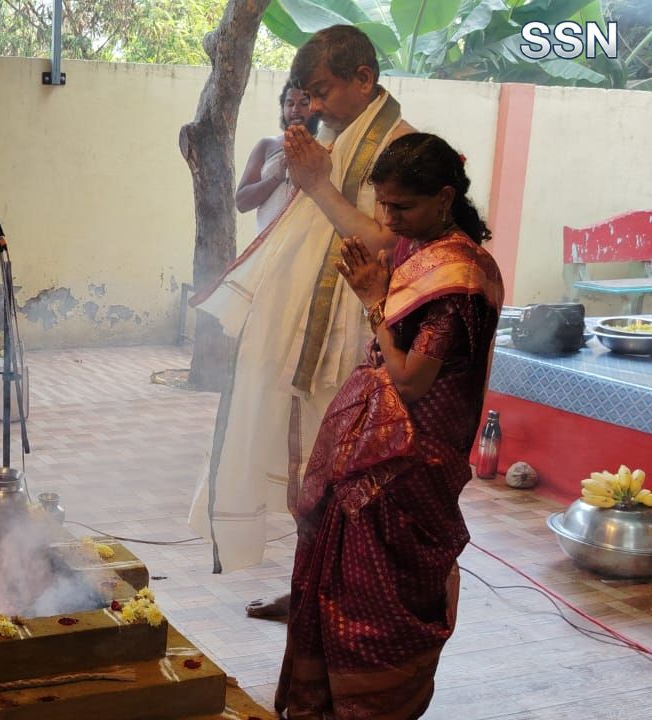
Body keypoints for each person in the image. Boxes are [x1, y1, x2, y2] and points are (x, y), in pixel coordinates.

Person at [187, 25, 416, 616]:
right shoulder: (335, 139)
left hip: (358, 334)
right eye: (306, 94)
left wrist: (315, 184)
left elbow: (386, 243)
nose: (312, 106)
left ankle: (342, 597)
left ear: (364, 78)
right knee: (306, 469)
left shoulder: (402, 148)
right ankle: (309, 590)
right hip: (307, 331)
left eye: (321, 90)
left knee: (346, 475)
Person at [275, 133, 503, 719]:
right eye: (384, 204)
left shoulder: (458, 279)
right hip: (375, 447)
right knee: (336, 580)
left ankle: (372, 706)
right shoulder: (424, 246)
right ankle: (324, 702)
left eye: (401, 207)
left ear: (444, 198)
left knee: (374, 600)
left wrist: (374, 300)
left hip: (407, 464)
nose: (389, 219)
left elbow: (409, 380)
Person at [235, 80, 319, 232]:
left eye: (303, 103)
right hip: (269, 242)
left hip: (310, 240)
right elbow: (241, 203)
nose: (295, 109)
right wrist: (276, 177)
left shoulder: (326, 146)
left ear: (315, 107)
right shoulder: (267, 146)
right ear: (283, 108)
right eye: (290, 103)